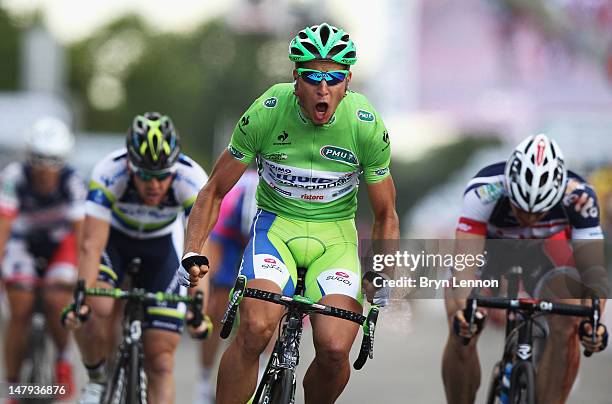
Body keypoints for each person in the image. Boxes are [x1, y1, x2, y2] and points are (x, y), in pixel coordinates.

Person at [179, 22, 399, 404]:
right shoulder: (267, 111)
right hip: (276, 230)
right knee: (255, 329)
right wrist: (192, 248)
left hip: (336, 239)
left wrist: (382, 271)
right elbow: (214, 190)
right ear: (296, 77)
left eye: (334, 78)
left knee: (333, 348)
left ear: (348, 82)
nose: (323, 87)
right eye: (313, 76)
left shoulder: (366, 124)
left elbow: (386, 214)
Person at [442, 134, 609, 404]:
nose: (528, 219)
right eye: (521, 209)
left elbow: (593, 273)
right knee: (463, 326)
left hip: (544, 256)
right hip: (492, 252)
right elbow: (465, 264)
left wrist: (593, 324)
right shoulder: (485, 190)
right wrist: (464, 310)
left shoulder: (580, 197)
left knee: (571, 321)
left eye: (539, 213)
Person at [62, 112, 211, 404]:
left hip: (161, 249)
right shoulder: (109, 171)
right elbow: (92, 244)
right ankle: (95, 378)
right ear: (130, 166)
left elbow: (198, 252)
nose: (153, 185)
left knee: (161, 359)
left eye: (162, 176)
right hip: (115, 242)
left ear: (175, 168)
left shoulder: (192, 179)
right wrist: (79, 300)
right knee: (96, 306)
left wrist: (197, 308)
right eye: (144, 175)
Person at [0, 117, 85, 400]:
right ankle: (13, 386)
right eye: (39, 159)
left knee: (56, 299)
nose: (45, 169)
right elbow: (3, 227)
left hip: (60, 245)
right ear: (28, 156)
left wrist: (84, 276)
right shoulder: (13, 177)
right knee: (20, 309)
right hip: (22, 243)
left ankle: (63, 358)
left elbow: (82, 233)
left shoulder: (73, 181)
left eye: (53, 161)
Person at [195, 169, 258, 404]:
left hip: (264, 236)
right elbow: (212, 263)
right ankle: (203, 382)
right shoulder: (232, 203)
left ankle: (257, 374)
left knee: (263, 308)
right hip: (227, 238)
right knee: (217, 306)